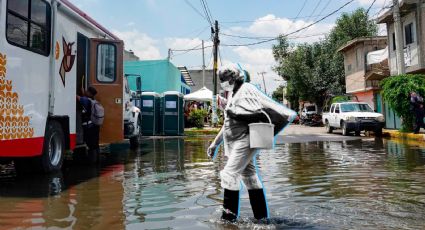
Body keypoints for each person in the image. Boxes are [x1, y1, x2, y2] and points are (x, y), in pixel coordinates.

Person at [207, 65, 296, 222]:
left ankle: (228, 220)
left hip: (245, 139)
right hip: (235, 142)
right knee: (249, 177)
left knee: (229, 174)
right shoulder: (233, 94)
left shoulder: (246, 89)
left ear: (232, 78)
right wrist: (215, 144)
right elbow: (227, 124)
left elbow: (256, 114)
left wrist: (233, 112)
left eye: (224, 79)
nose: (222, 82)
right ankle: (261, 218)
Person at [77, 86, 100, 163]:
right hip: (95, 126)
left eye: (87, 91)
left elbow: (77, 97)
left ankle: (92, 162)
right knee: (95, 144)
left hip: (89, 127)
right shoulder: (93, 101)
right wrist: (84, 93)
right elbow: (84, 99)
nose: (86, 91)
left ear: (90, 93)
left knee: (91, 145)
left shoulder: (86, 100)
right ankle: (97, 161)